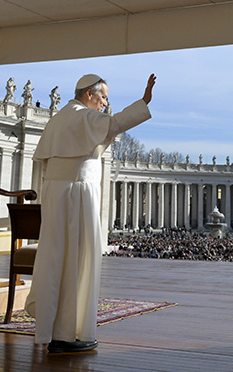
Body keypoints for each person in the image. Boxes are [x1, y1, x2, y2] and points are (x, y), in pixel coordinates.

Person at [27, 73, 156, 354]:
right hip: (77, 194)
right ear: (89, 94)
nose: (105, 103)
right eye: (103, 97)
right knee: (78, 260)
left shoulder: (60, 117)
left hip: (56, 193)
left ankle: (52, 329)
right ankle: (67, 334)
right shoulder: (81, 115)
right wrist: (143, 102)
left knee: (55, 259)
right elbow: (114, 124)